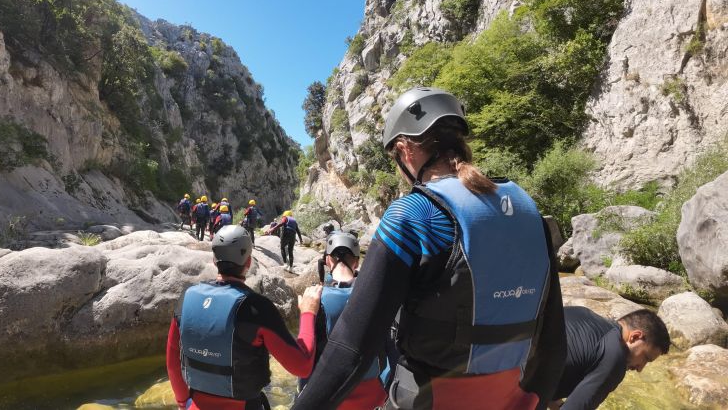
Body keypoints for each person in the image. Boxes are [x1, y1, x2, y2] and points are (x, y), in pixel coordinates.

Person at [294, 87, 566, 410]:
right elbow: (554, 348)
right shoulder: (528, 211)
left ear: (405, 150)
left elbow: (351, 348)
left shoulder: (414, 214)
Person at [166, 225, 323, 410]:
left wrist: (183, 401)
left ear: (214, 260)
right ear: (248, 262)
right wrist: (308, 313)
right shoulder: (256, 307)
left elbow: (172, 362)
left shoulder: (187, 298)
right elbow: (302, 366)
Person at [299, 230, 388, 409]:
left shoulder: (315, 299)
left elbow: (304, 359)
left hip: (328, 395)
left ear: (327, 261)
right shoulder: (377, 297)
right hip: (374, 395)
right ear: (356, 262)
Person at [548, 307, 669, 410]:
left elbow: (554, 361)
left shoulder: (582, 313)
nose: (640, 368)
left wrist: (557, 404)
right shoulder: (614, 358)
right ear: (635, 337)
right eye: (646, 358)